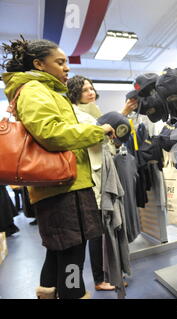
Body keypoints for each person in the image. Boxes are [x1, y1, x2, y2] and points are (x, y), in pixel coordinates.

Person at [1, 36, 117, 299]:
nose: (67, 68)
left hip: (64, 184)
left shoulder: (44, 90)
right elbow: (50, 133)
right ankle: (73, 294)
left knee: (59, 251)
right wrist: (96, 132)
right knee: (73, 256)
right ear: (39, 64)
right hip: (64, 187)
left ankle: (49, 292)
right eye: (60, 62)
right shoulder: (34, 90)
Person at [67, 75, 137, 291]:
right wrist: (121, 116)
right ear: (75, 92)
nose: (90, 92)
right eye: (85, 89)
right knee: (97, 231)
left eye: (91, 88)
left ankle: (105, 275)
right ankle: (99, 279)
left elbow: (106, 141)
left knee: (102, 230)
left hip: (100, 175)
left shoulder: (90, 111)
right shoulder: (77, 115)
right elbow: (96, 138)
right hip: (93, 180)